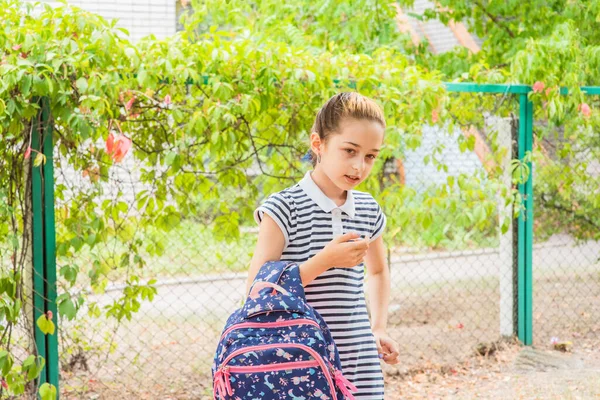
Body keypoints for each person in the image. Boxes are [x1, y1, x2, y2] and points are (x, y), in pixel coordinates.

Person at [246, 92, 400, 399]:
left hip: (360, 363)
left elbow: (378, 273)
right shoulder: (283, 208)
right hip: (298, 364)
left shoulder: (369, 209)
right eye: (349, 150)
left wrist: (378, 328)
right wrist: (325, 260)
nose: (359, 167)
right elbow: (256, 289)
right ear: (318, 144)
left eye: (370, 156)